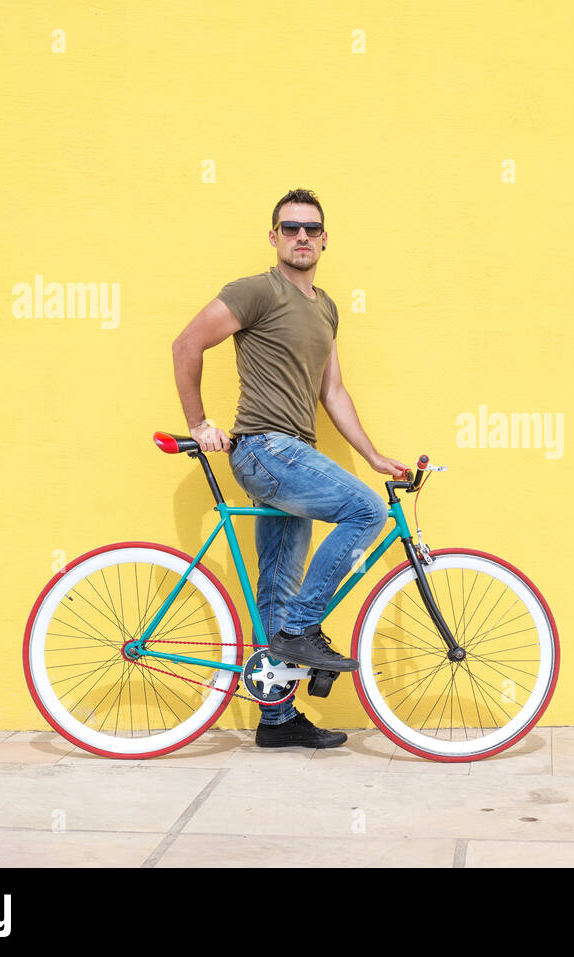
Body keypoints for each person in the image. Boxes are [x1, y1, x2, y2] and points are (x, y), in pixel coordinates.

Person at [171, 188, 407, 749]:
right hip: (266, 450)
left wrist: (373, 455)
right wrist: (201, 422)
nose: (302, 236)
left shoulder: (325, 307)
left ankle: (277, 720)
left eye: (312, 228)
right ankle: (302, 630)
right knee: (366, 511)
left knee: (277, 587)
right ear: (274, 237)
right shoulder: (256, 291)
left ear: (325, 239)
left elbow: (334, 390)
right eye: (290, 227)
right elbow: (186, 343)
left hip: (292, 457)